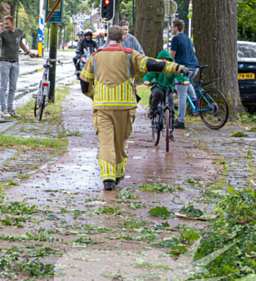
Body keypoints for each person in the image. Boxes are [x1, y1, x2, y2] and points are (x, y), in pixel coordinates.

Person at [80, 26, 190, 190]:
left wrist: (92, 95)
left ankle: (108, 177)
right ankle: (117, 173)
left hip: (102, 106)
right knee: (120, 141)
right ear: (122, 39)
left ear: (108, 37)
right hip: (125, 106)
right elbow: (153, 64)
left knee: (105, 141)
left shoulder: (95, 56)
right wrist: (178, 68)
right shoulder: (130, 54)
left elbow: (84, 83)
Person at [0, 16, 36, 116]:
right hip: (4, 62)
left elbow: (20, 43)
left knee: (13, 87)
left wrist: (28, 52)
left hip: (15, 62)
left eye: (7, 24)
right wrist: (0, 28)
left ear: (12, 23)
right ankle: (4, 110)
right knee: (3, 87)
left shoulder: (19, 32)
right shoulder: (3, 33)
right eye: (4, 24)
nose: (5, 25)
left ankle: (10, 109)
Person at [142, 49, 189, 138]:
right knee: (158, 94)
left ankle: (170, 130)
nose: (164, 61)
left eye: (166, 59)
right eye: (162, 59)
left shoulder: (171, 69)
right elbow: (148, 75)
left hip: (168, 89)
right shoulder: (156, 68)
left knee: (171, 107)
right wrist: (147, 81)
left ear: (169, 60)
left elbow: (179, 76)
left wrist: (185, 81)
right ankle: (152, 110)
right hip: (158, 87)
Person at [168, 19, 199, 129]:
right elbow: (194, 50)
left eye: (172, 27)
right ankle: (195, 101)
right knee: (187, 83)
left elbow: (171, 56)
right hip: (195, 67)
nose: (171, 29)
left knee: (181, 95)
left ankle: (180, 121)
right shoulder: (187, 37)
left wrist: (167, 66)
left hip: (184, 69)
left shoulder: (176, 38)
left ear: (176, 28)